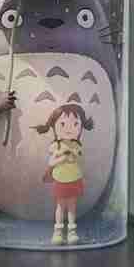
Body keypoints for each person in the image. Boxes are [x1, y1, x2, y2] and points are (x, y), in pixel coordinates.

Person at [35, 102, 94, 245]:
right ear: (54, 125)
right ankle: (58, 232)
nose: (69, 129)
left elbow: (81, 159)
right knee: (60, 206)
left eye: (75, 124)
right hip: (60, 179)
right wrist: (62, 157)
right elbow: (51, 162)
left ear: (81, 126)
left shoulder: (77, 145)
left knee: (72, 206)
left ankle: (72, 231)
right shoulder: (55, 146)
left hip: (74, 178)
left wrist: (73, 155)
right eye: (62, 124)